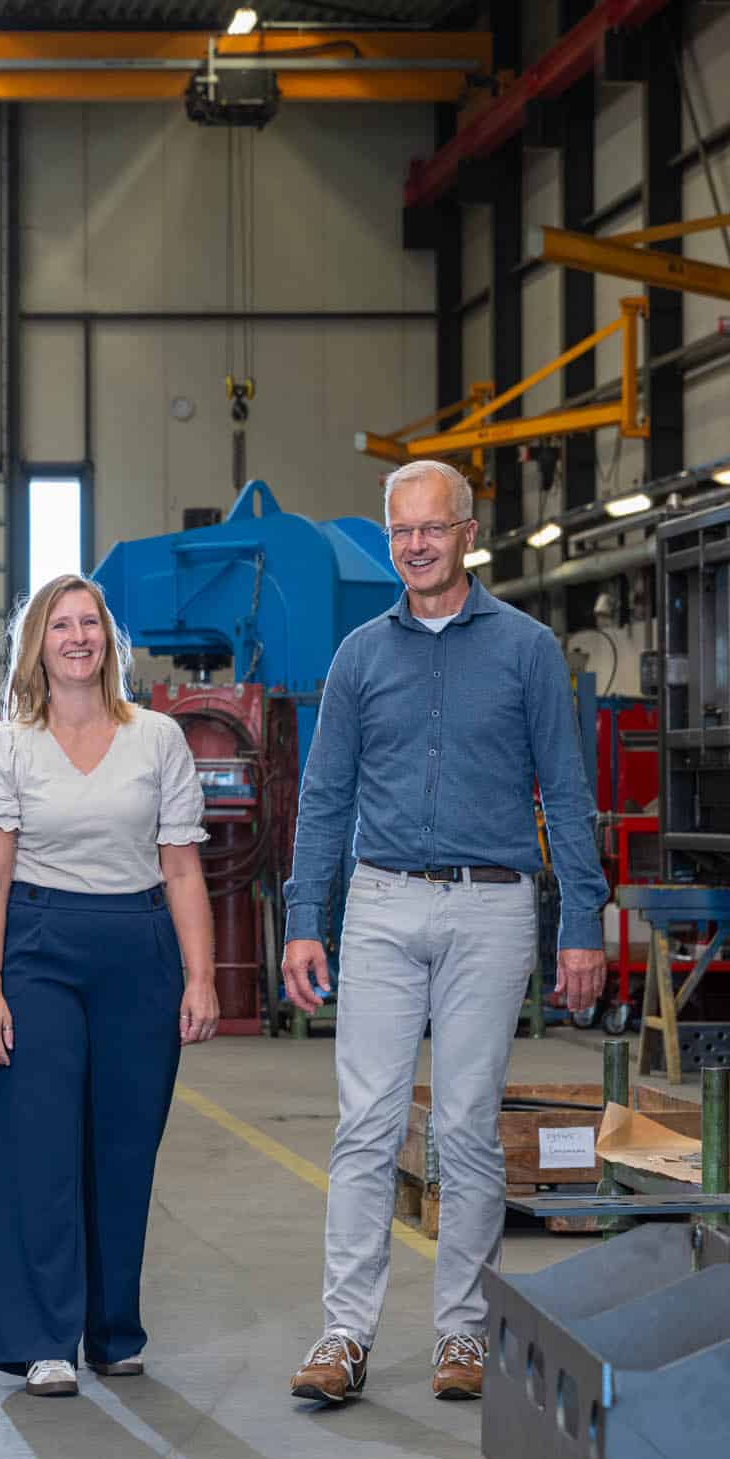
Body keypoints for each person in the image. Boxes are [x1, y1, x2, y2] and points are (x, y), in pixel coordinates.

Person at [279, 458, 607, 1407]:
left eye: (432, 528)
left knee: (464, 1131)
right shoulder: (359, 657)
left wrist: (581, 919)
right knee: (367, 1127)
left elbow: (567, 793)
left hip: (491, 909)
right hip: (379, 906)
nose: (415, 546)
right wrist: (308, 918)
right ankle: (344, 1337)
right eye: (400, 531)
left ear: (468, 533)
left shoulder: (528, 650)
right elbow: (325, 798)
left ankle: (462, 1337)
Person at [0, 575, 220, 1399]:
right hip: (37, 949)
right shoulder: (9, 744)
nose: (78, 637)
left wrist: (202, 977)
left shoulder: (159, 739)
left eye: (91, 624)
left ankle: (112, 1331)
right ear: (36, 643)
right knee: (37, 1149)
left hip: (139, 951)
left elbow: (182, 869)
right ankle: (42, 1339)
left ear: (110, 640)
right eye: (61, 625)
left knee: (123, 1149)